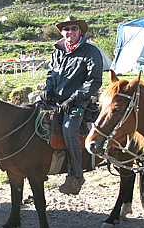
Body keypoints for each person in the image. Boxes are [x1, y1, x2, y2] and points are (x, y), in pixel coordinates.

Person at [40, 16, 103, 195]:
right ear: (62, 32)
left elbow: (94, 80)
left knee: (69, 130)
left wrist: (74, 99)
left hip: (78, 102)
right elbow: (51, 74)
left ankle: (76, 174)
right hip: (56, 100)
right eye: (67, 29)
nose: (70, 32)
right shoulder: (57, 51)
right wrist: (47, 89)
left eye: (74, 28)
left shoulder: (91, 52)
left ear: (80, 31)